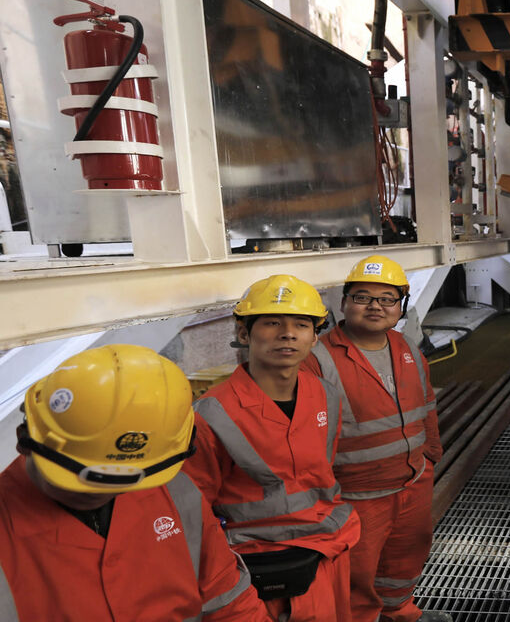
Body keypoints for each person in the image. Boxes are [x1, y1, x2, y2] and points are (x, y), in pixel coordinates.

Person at [0, 344, 269, 621]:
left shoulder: (177, 492)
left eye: (120, 479)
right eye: (90, 476)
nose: (100, 491)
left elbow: (230, 603)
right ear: (25, 439)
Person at [184, 274, 362, 622]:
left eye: (301, 324)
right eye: (271, 322)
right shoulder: (212, 413)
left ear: (315, 335)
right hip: (259, 565)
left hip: (329, 548)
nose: (287, 333)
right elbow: (194, 510)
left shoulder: (325, 394)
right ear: (243, 334)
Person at [301, 256, 449, 622]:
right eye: (363, 297)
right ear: (343, 303)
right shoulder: (316, 359)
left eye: (387, 299)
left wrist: (430, 456)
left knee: (405, 558)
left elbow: (427, 405)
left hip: (412, 482)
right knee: (355, 575)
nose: (375, 307)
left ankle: (399, 612)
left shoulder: (407, 348)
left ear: (400, 307)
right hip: (355, 494)